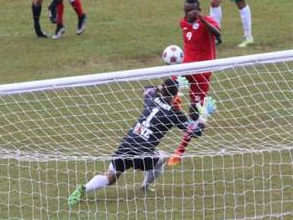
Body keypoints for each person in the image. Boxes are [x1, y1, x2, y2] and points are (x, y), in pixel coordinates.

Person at [68, 79, 215, 207]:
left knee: (110, 176)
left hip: (126, 145)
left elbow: (146, 89)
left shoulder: (151, 98)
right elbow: (196, 132)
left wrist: (159, 87)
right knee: (163, 157)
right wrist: (204, 116)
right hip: (142, 153)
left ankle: (84, 188)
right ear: (176, 95)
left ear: (162, 89)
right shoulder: (174, 114)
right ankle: (145, 185)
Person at [167, 0, 220, 166]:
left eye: (190, 11)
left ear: (197, 10)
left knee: (194, 112)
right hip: (187, 66)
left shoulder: (207, 21)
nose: (186, 15)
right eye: (185, 11)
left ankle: (180, 150)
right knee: (170, 84)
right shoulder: (183, 23)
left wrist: (202, 19)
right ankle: (172, 104)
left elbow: (218, 34)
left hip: (203, 72)